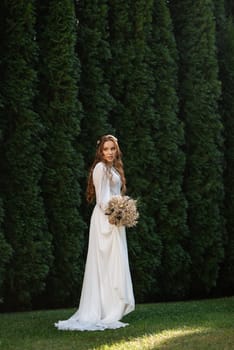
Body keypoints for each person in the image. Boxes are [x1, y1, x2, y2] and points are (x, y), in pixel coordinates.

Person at [55, 134, 135, 331]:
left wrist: (123, 211)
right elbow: (101, 199)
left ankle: (113, 306)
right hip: (105, 220)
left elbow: (116, 194)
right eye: (106, 149)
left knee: (114, 262)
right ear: (100, 151)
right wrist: (114, 212)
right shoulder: (100, 168)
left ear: (117, 150)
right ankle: (102, 309)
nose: (109, 152)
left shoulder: (114, 168)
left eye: (112, 149)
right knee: (105, 263)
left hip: (115, 220)